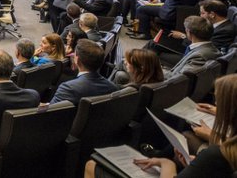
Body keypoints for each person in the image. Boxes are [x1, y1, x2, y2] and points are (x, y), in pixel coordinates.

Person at [85, 74, 237, 178]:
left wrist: (167, 163)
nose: (215, 106)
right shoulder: (227, 151)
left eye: (218, 102)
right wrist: (195, 164)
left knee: (92, 165)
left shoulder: (216, 154)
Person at [49, 40, 118, 105]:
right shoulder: (113, 88)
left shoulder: (68, 88)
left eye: (74, 55)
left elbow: (52, 111)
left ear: (77, 60)